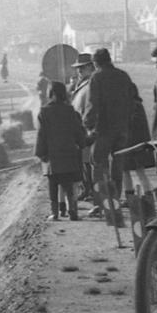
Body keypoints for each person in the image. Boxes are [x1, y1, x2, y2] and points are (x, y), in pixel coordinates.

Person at [80, 47, 139, 218]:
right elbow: (133, 101)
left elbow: (92, 104)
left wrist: (87, 125)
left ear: (96, 63)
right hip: (122, 129)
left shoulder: (96, 78)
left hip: (103, 129)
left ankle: (101, 204)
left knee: (98, 166)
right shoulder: (123, 76)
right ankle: (115, 201)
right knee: (117, 166)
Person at [34, 81, 87, 222]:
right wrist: (82, 143)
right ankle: (73, 212)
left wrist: (40, 153)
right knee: (69, 185)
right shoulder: (70, 111)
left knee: (53, 186)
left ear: (50, 94)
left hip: (52, 156)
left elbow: (41, 135)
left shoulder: (44, 112)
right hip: (69, 154)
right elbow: (78, 132)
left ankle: (55, 213)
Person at [69, 53, 97, 202]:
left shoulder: (93, 83)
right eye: (78, 68)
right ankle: (87, 189)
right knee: (84, 162)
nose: (79, 71)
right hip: (80, 127)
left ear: (91, 67)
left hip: (89, 127)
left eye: (82, 67)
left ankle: (92, 191)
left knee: (89, 162)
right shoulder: (82, 83)